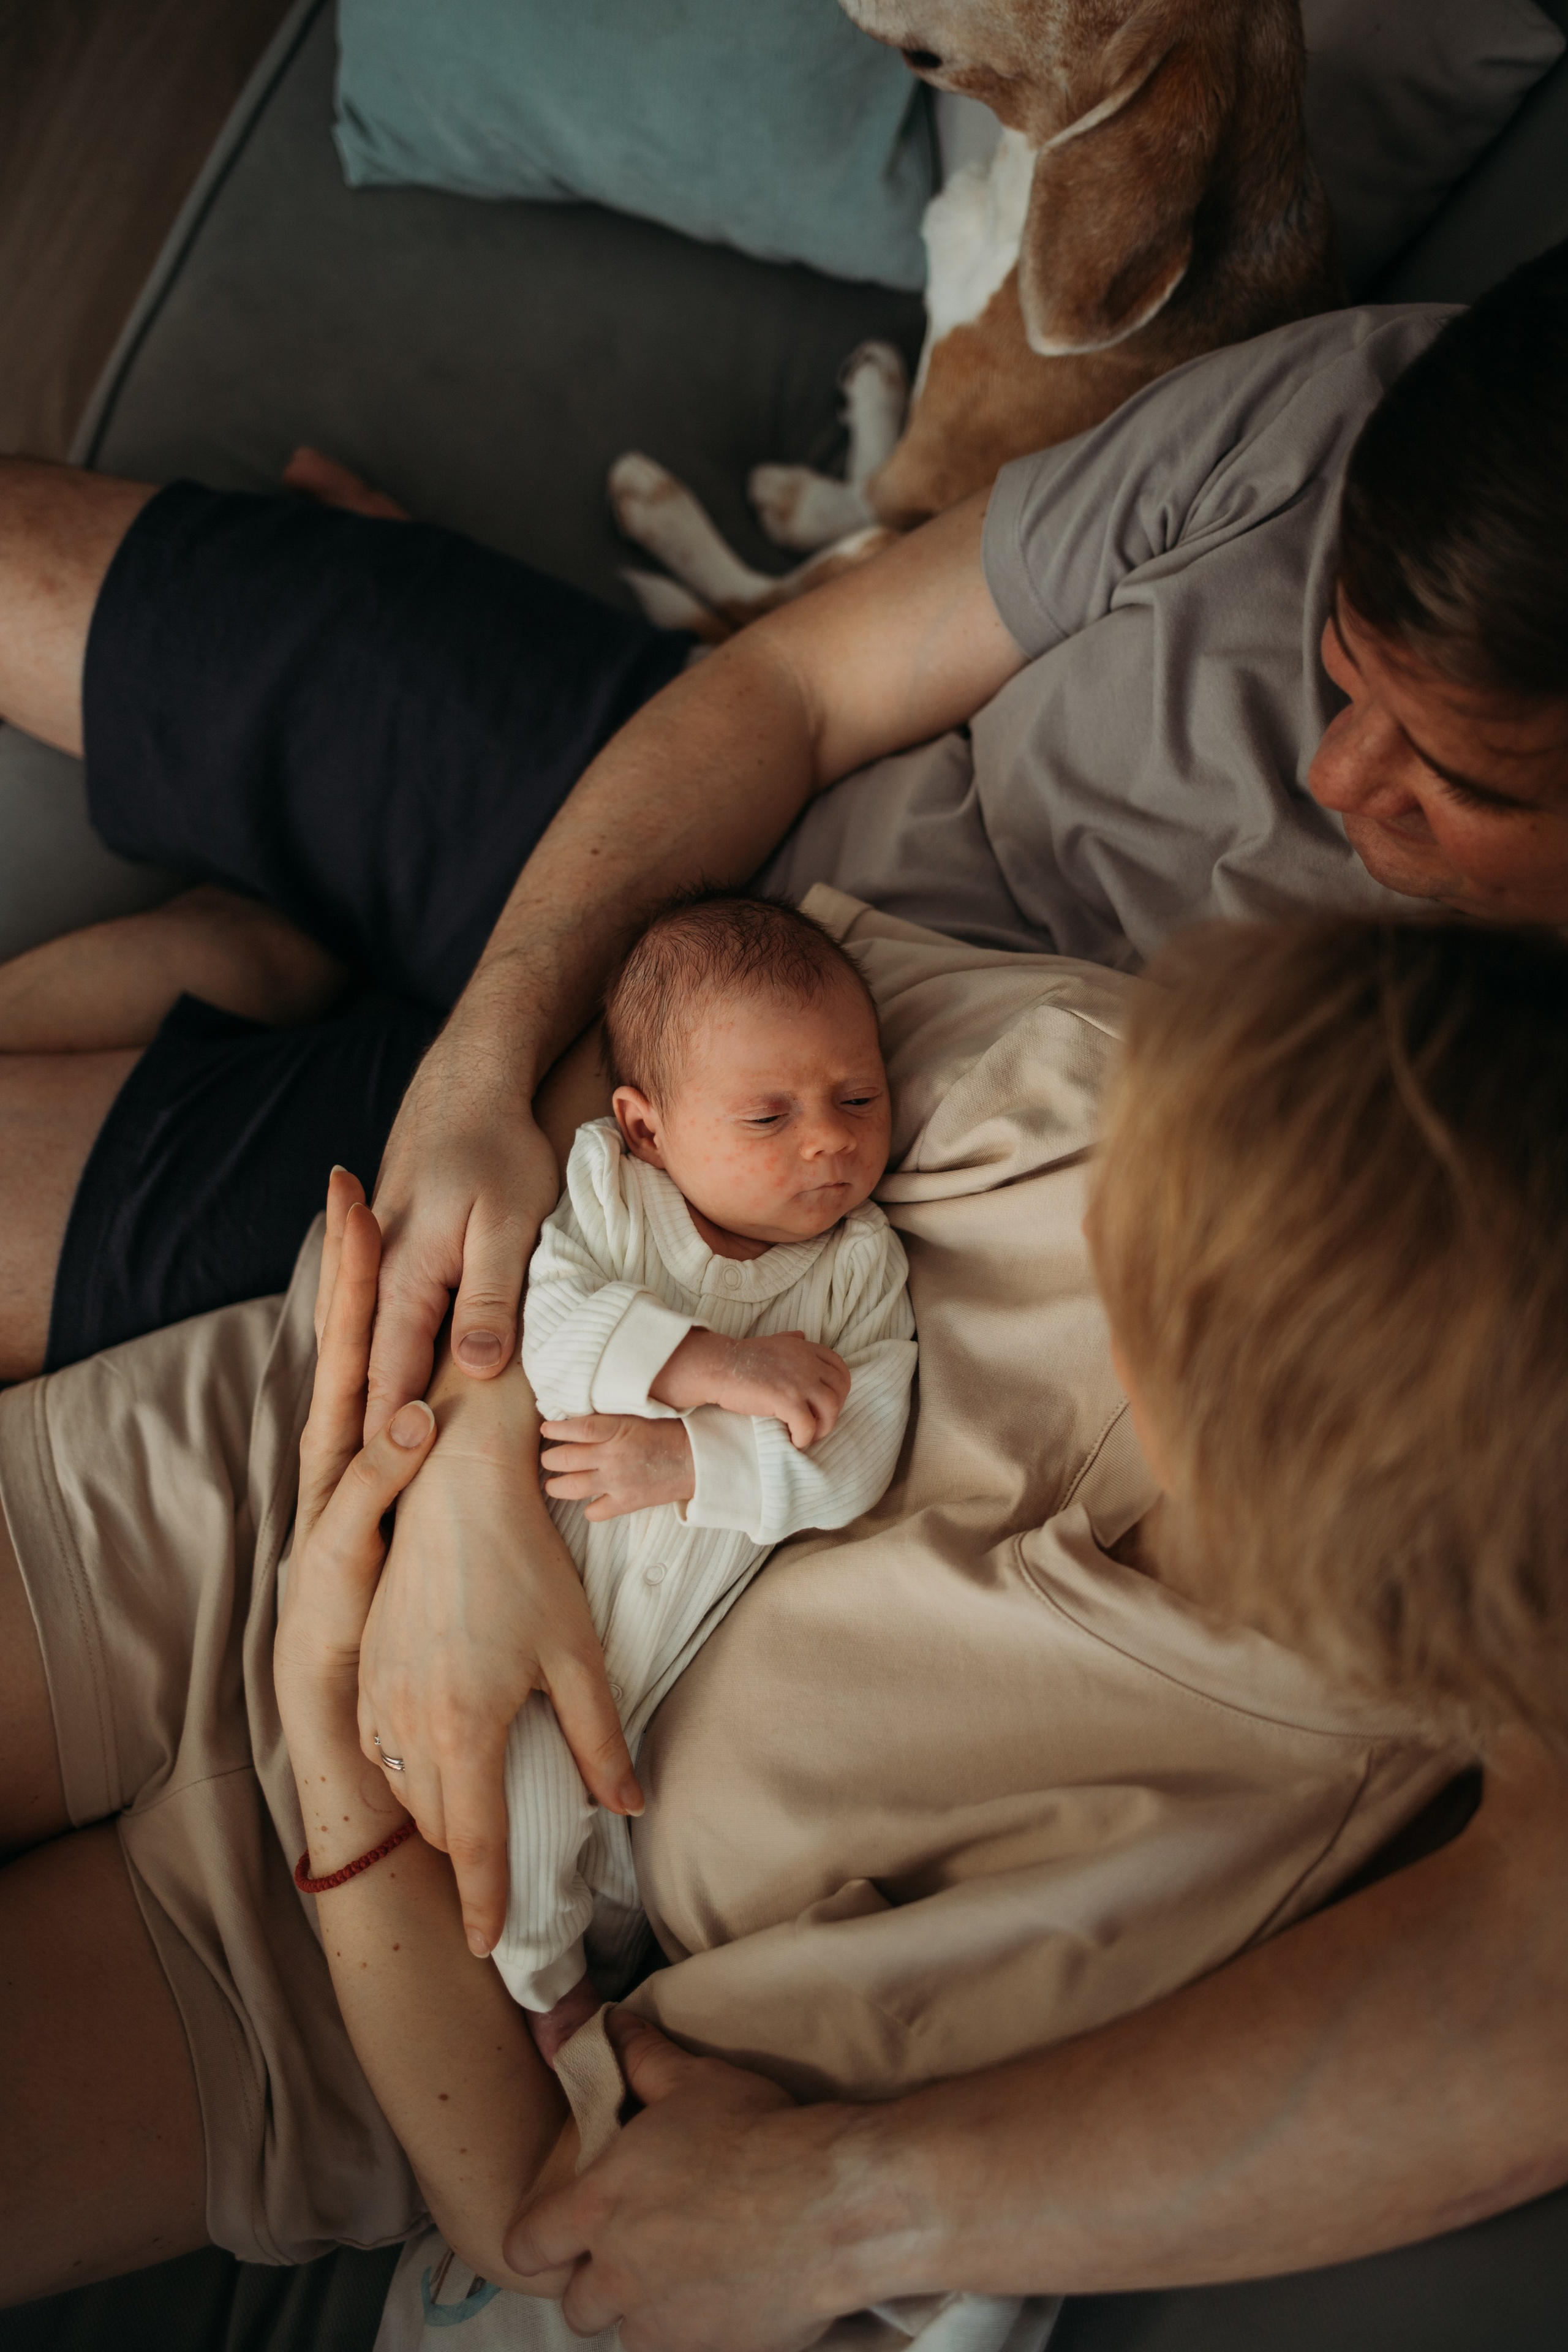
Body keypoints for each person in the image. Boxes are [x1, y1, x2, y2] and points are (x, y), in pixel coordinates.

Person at [0, 240, 1566, 2309]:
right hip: (608, 1084)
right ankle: (255, 974)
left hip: (386, 1882)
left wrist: (339, 1758)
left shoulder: (1269, 1724)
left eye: (1450, 777)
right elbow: (797, 688)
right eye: (1333, 675)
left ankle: (214, 978)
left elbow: (578, 2182)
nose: (1324, 784)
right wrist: (487, 1285)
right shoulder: (1117, 1032)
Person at [1, 907, 1562, 2352]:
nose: (1125, 1183)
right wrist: (474, 1451)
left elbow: (554, 2195)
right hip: (293, 1477)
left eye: (1172, 1219)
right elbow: (646, 1054)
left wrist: (329, 1733)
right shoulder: (1104, 1091)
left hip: (365, 1981)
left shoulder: (1179, 1850)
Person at [501, 890, 916, 2052]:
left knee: (639, 1861)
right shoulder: (607, 1199)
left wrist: (687, 1459)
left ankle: (620, 1993)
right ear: (646, 1129)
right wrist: (705, 1364)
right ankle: (547, 1998)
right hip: (540, 1624)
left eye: (857, 1098)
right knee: (532, 1804)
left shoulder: (857, 1271)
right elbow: (551, 1334)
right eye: (768, 1116)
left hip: (684, 1668)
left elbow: (856, 1454)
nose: (828, 1141)